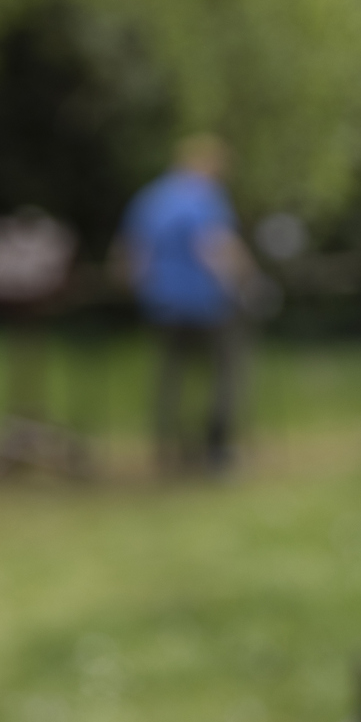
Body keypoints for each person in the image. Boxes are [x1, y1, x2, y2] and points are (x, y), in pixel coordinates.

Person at [117, 134, 255, 473]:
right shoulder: (205, 197)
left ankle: (168, 450)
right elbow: (215, 248)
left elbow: (130, 257)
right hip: (206, 301)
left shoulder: (150, 198)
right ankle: (216, 449)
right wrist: (249, 282)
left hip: (161, 302)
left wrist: (142, 292)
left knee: (170, 375)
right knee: (226, 372)